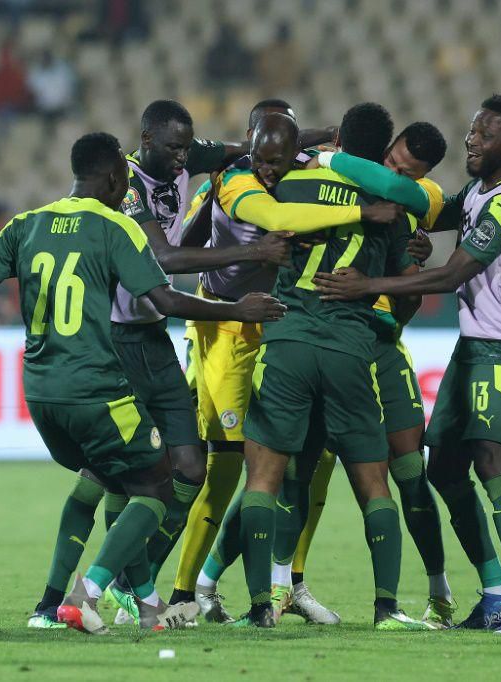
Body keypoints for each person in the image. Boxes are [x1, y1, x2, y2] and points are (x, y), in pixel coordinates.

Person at [0, 131, 287, 633]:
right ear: (112, 177)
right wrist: (237, 308)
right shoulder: (115, 226)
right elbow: (167, 300)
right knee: (151, 483)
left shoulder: (25, 224)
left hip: (40, 389)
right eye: (123, 178)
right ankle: (84, 596)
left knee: (117, 475)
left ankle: (135, 602)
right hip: (96, 378)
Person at [314, 94, 501, 633]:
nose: (472, 140)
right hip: (473, 345)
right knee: (443, 466)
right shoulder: (475, 193)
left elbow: (451, 276)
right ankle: (494, 591)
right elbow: (417, 203)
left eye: (484, 133)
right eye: (471, 130)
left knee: (491, 460)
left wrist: (369, 285)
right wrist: (350, 164)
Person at [170, 99, 403, 624]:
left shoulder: (300, 175)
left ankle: (287, 583)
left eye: (282, 155)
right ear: (250, 142)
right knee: (232, 464)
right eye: (263, 153)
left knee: (314, 461)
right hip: (229, 329)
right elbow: (270, 220)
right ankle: (190, 589)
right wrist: (362, 210)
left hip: (276, 329)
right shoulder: (233, 179)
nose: (270, 167)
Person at [222, 103, 433, 630]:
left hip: (288, 341)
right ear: (384, 149)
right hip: (351, 349)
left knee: (264, 477)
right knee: (372, 482)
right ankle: (387, 608)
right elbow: (409, 299)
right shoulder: (390, 203)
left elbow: (266, 232)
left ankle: (259, 608)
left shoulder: (290, 185)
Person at [278, 121, 455, 627]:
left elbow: (411, 297)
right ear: (385, 145)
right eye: (395, 158)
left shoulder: (408, 204)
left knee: (407, 472)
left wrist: (388, 298)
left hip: (376, 345)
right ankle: (260, 587)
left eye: (409, 171)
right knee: (298, 470)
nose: (396, 171)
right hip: (331, 344)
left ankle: (438, 589)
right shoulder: (335, 181)